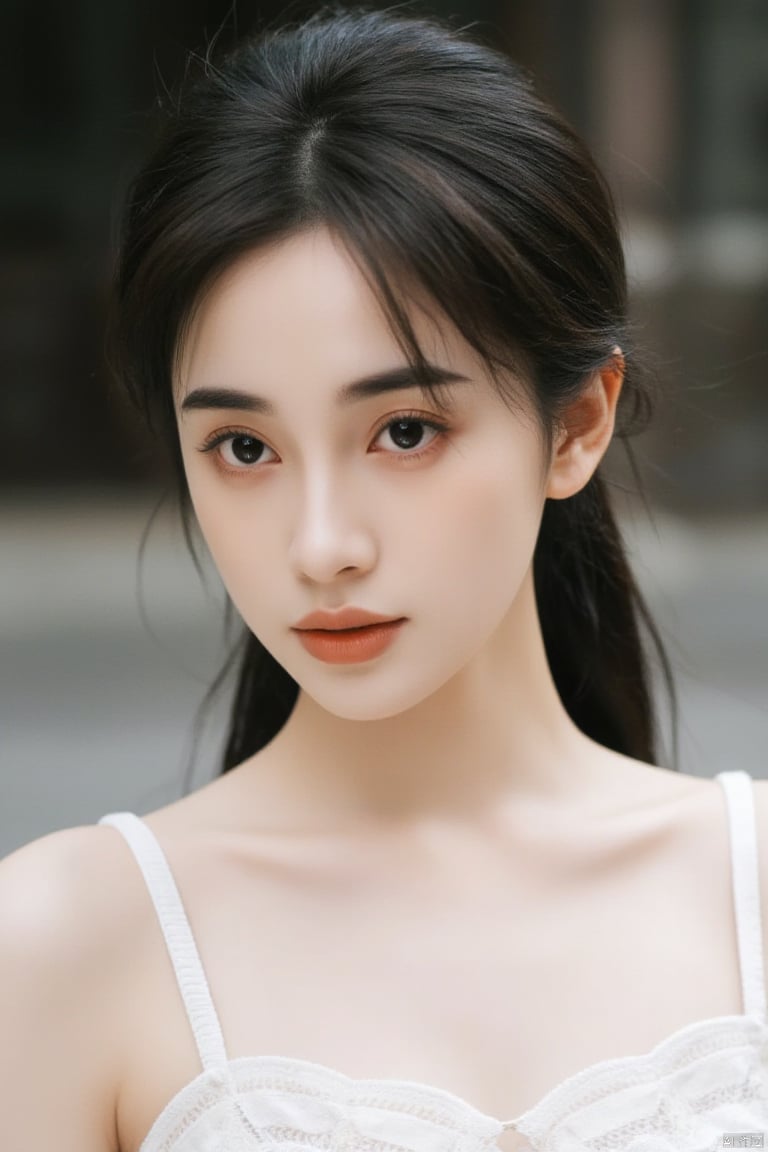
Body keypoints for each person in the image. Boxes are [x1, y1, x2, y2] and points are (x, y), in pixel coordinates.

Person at [1, 5, 766, 1150]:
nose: (320, 546)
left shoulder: (750, 894)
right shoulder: (65, 943)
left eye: (404, 430)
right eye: (243, 448)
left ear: (576, 424)